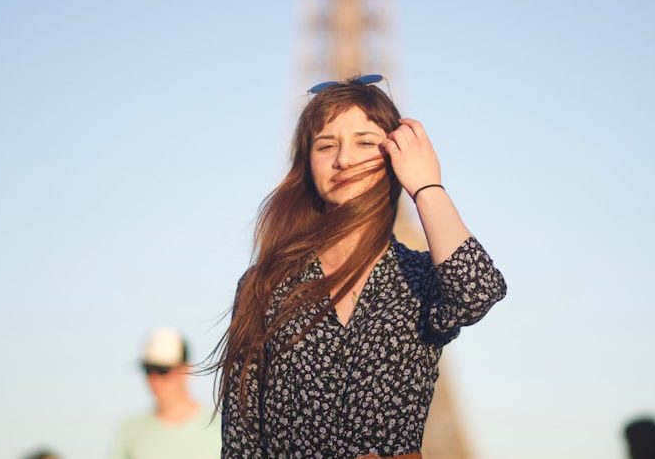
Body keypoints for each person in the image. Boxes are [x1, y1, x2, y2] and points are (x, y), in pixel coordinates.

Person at [208, 75, 507, 458]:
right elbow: (241, 441)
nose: (343, 159)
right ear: (307, 164)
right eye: (326, 145)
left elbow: (478, 290)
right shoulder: (265, 284)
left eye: (365, 143)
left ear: (395, 156)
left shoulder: (418, 280)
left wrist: (427, 187)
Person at [111, 327, 221, 459]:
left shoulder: (219, 428)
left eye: (162, 370)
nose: (154, 379)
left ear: (186, 369)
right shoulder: (129, 432)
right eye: (148, 369)